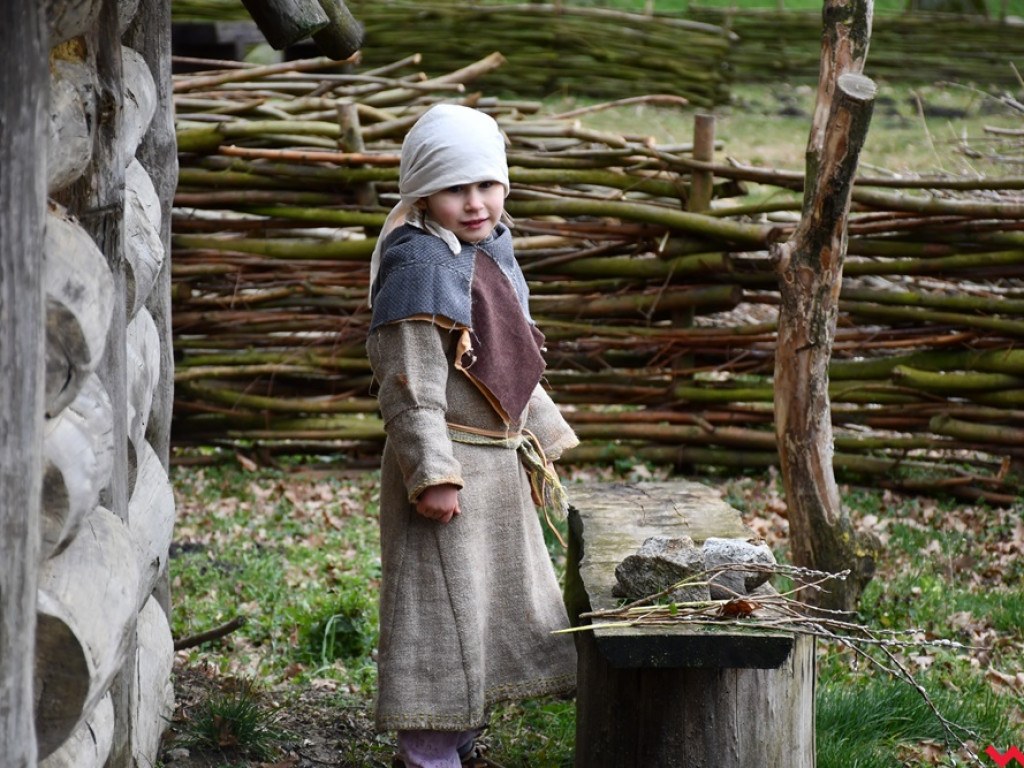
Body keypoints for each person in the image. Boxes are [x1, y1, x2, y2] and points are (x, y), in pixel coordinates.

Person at [366, 103, 579, 768]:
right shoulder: (418, 267)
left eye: (487, 184)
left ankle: (460, 739)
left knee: (483, 613)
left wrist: (545, 432)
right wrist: (431, 472)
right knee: (439, 614)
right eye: (458, 188)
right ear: (424, 190)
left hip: (496, 466)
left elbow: (506, 356)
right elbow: (412, 384)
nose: (477, 202)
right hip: (451, 469)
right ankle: (426, 755)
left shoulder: (488, 253)